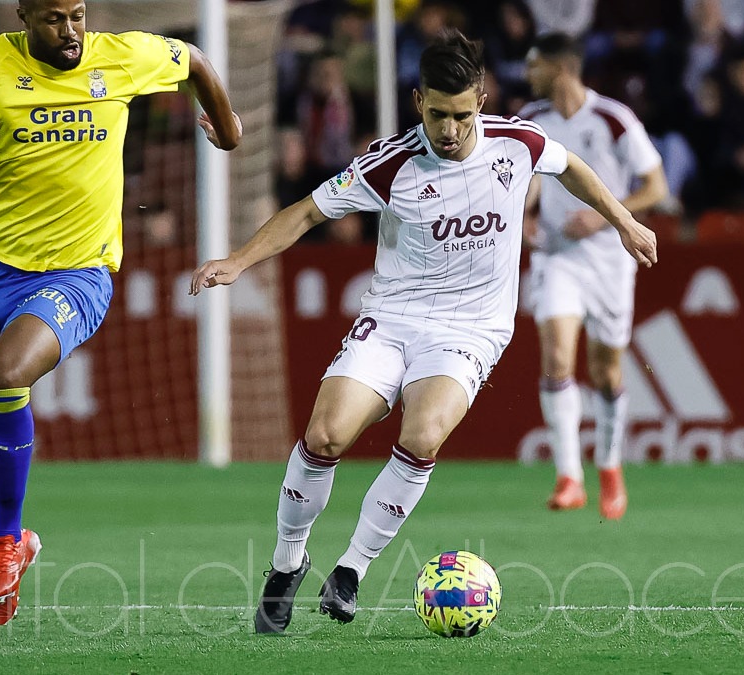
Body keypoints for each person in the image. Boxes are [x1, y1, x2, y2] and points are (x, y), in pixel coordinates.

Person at [190, 30, 656, 634]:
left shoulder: (519, 144)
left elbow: (574, 169)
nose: (450, 130)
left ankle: (351, 570)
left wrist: (622, 220)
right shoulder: (390, 164)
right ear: (419, 103)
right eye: (438, 114)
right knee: (326, 436)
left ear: (481, 100)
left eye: (462, 115)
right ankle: (286, 564)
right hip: (392, 319)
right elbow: (305, 211)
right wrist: (238, 260)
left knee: (424, 432)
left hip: (471, 327)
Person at [0, 0, 241, 626]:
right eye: (53, 19)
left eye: (77, 15)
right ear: (24, 16)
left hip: (78, 272)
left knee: (5, 376)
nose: (69, 31)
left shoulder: (119, 56)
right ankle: (14, 537)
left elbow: (197, 59)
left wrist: (228, 129)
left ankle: (4, 542)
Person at [520, 33, 668, 520]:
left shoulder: (613, 119)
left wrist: (605, 216)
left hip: (609, 257)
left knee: (606, 371)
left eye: (534, 64)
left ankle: (608, 465)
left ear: (561, 66)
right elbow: (528, 179)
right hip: (557, 255)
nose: (528, 73)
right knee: (557, 356)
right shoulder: (530, 120)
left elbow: (656, 187)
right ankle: (569, 477)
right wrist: (523, 215)